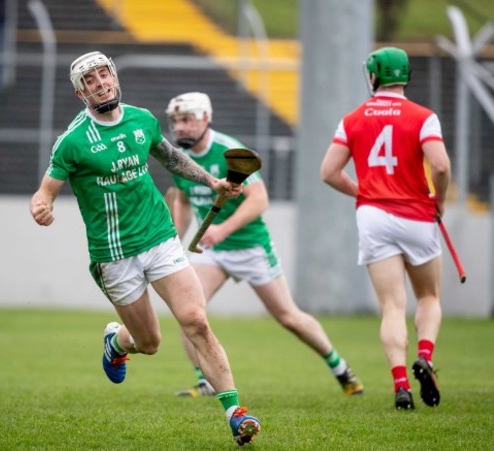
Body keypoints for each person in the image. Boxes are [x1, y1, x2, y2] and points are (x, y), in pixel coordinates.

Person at [30, 51, 261, 446]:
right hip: (114, 255)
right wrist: (41, 206)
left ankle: (235, 412)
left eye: (104, 74)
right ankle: (117, 342)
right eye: (91, 80)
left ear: (114, 77)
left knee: (196, 321)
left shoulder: (142, 120)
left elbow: (171, 157)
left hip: (159, 237)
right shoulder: (72, 142)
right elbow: (45, 191)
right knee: (150, 343)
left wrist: (212, 182)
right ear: (79, 92)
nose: (100, 83)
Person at [164, 92, 364, 399]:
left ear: (206, 118)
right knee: (188, 311)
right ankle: (205, 381)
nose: (181, 127)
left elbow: (259, 200)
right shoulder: (181, 158)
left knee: (288, 317)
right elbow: (184, 202)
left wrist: (222, 229)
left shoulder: (230, 151)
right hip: (213, 251)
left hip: (250, 247)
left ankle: (340, 369)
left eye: (188, 119)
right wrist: (175, 242)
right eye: (176, 120)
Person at [320, 46, 450, 410]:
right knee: (429, 296)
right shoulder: (424, 117)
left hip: (373, 216)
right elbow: (439, 165)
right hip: (416, 214)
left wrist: (363, 191)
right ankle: (425, 354)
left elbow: (329, 172)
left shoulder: (353, 118)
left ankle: (400, 385)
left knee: (392, 306)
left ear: (373, 75)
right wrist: (439, 199)